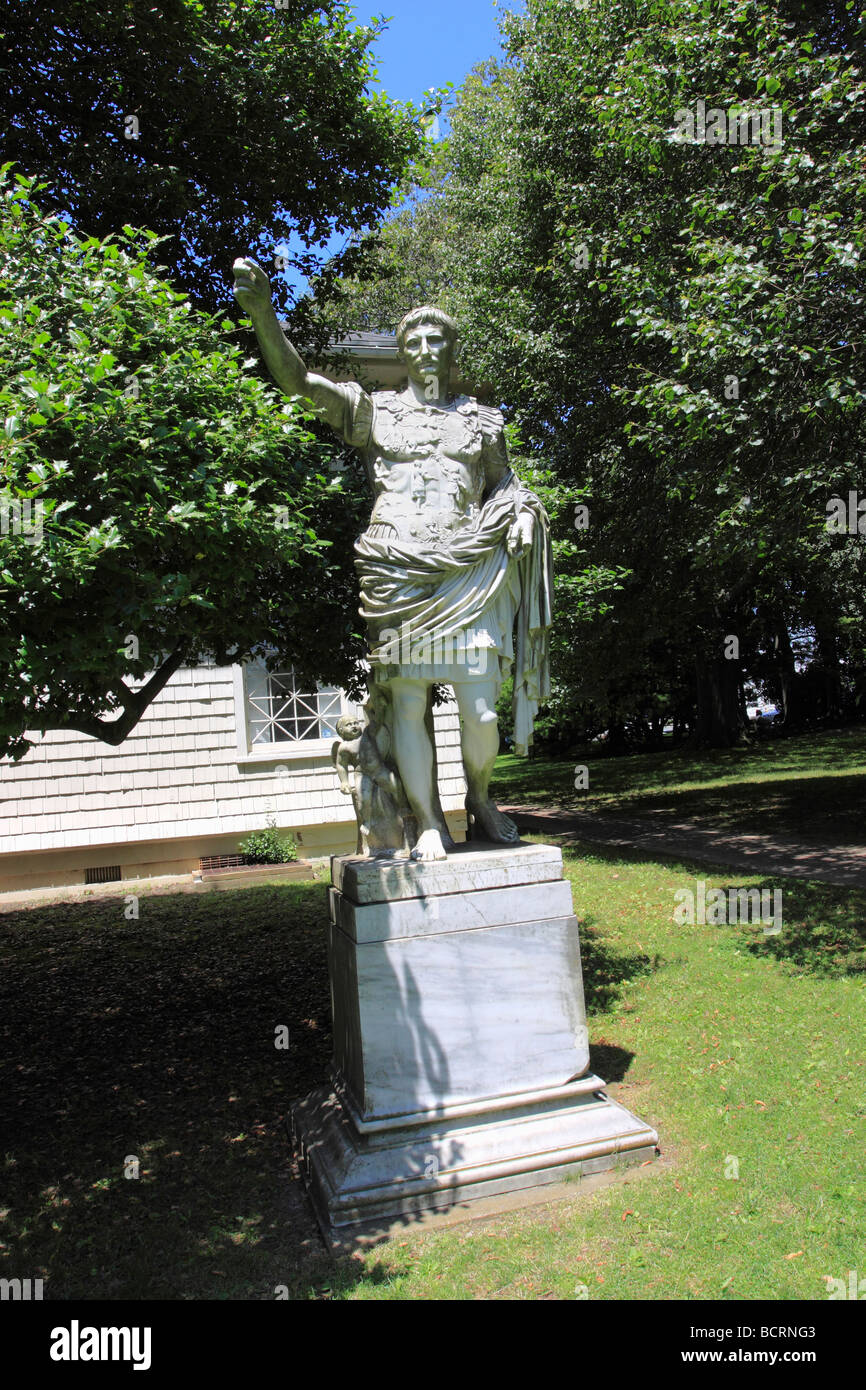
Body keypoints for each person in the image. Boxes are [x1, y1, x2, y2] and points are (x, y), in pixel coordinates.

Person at [233, 258, 552, 860]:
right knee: (408, 701)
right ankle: (429, 820)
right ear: (402, 352)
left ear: (451, 351)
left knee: (481, 711)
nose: (426, 349)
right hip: (397, 568)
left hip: (467, 572)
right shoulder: (377, 411)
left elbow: (506, 485)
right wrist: (264, 315)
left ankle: (479, 796)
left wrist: (524, 513)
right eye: (414, 341)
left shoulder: (482, 421)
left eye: (437, 340)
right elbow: (300, 383)